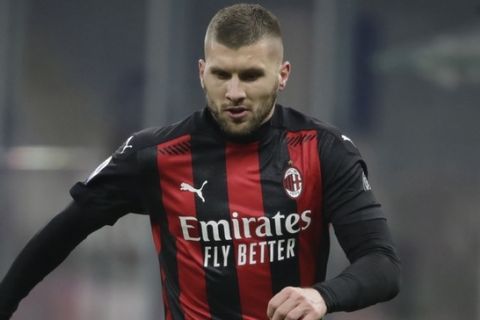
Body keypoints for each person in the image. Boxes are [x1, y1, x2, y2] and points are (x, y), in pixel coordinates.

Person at [0, 3, 401, 320]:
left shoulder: (324, 149)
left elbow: (381, 265)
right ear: (201, 72)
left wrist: (321, 295)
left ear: (282, 75)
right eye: (221, 74)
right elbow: (65, 231)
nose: (234, 91)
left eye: (250, 75)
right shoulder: (153, 155)